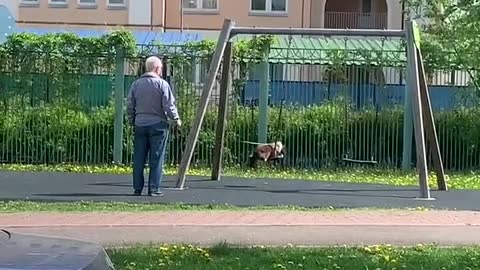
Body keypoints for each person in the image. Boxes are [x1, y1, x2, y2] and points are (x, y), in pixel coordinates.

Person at [126, 56, 181, 197]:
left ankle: (137, 188)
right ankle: (154, 189)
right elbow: (168, 105)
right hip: (158, 125)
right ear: (157, 68)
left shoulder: (136, 84)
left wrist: (132, 119)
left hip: (140, 124)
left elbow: (130, 105)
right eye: (161, 68)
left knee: (139, 157)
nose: (161, 70)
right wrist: (175, 118)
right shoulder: (162, 84)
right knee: (156, 158)